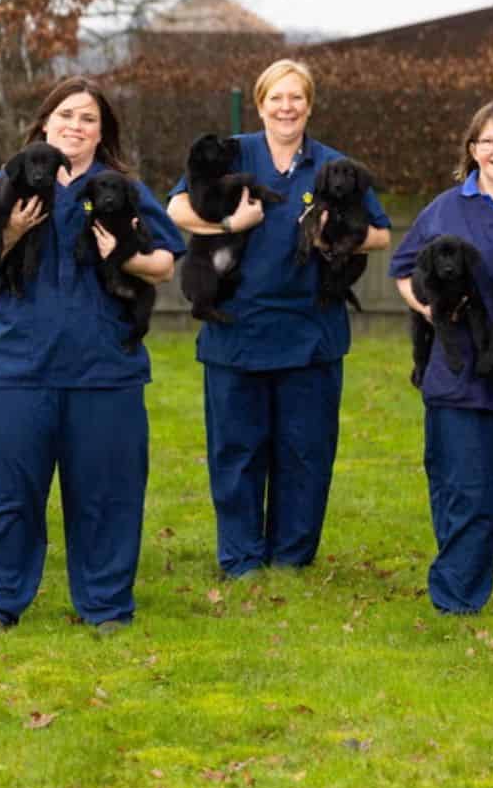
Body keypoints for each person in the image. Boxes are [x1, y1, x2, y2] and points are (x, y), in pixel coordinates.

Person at [0, 77, 185, 632]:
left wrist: (124, 257)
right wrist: (9, 232)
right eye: (65, 115)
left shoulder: (123, 187)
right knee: (8, 492)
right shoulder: (9, 180)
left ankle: (105, 605)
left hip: (104, 367)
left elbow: (164, 263)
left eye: (87, 118)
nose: (75, 126)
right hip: (21, 367)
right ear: (44, 122)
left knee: (107, 494)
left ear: (102, 131)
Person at [167, 59, 390, 578]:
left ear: (309, 105)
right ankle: (242, 560)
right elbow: (175, 207)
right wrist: (227, 221)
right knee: (236, 451)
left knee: (304, 452)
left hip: (311, 333)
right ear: (260, 102)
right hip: (236, 330)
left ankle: (291, 558)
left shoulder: (334, 165)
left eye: (296, 98)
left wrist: (340, 234)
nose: (286, 107)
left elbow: (380, 233)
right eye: (276, 98)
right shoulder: (233, 153)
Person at [388, 100, 493, 614]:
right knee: (466, 494)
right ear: (472, 149)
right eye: (488, 141)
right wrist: (435, 310)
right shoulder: (443, 209)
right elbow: (402, 269)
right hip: (461, 377)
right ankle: (457, 600)